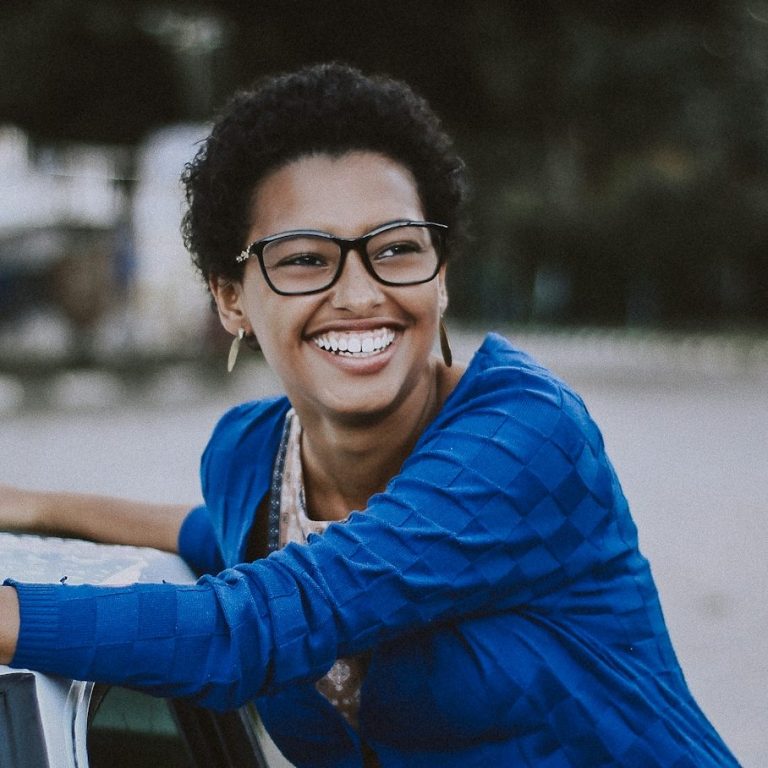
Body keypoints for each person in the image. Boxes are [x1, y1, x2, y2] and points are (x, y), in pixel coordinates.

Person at [0, 63, 737, 768]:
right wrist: (31, 506)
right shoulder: (247, 456)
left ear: (440, 277)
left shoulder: (524, 438)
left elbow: (251, 628)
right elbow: (219, 536)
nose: (359, 294)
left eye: (397, 249)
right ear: (230, 297)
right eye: (303, 258)